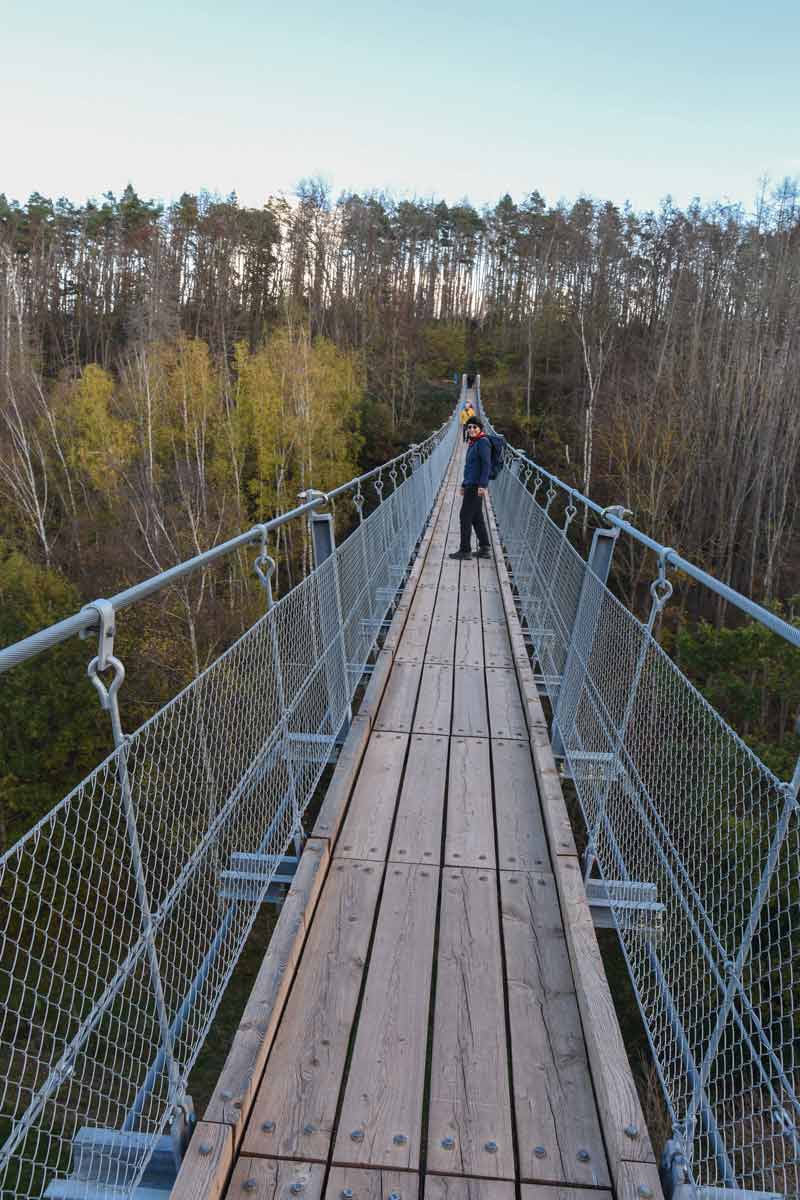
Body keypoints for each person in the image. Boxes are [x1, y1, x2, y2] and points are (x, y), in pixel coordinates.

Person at [450, 417, 491, 560]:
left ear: (480, 428)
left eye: (475, 427)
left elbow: (487, 465)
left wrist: (483, 485)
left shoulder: (483, 443)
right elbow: (471, 467)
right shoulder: (473, 443)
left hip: (476, 486)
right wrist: (463, 484)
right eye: (469, 427)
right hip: (471, 483)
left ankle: (465, 550)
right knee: (476, 516)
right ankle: (485, 548)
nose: (472, 429)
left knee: (464, 516)